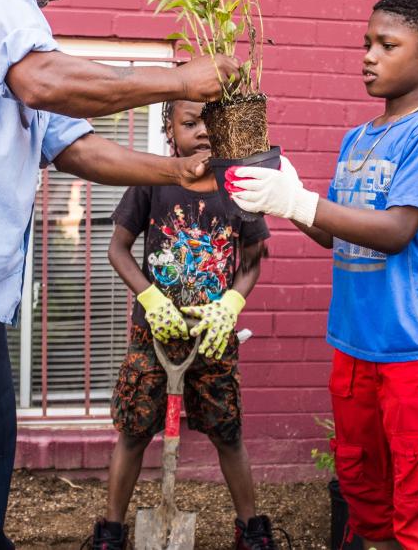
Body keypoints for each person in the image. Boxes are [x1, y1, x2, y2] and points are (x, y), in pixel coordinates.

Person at [0, 0, 240, 550]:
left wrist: (184, 173)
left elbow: (77, 147)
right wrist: (180, 80)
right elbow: (44, 81)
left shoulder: (21, 32)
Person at [228, 0, 418, 549]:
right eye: (366, 43)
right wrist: (285, 194)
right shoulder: (358, 138)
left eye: (387, 45)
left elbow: (395, 231)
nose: (368, 55)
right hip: (356, 342)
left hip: (415, 348)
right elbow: (335, 230)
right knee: (364, 490)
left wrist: (299, 202)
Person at [89, 100, 279, 550]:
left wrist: (231, 302)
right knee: (134, 431)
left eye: (210, 122)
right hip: (152, 334)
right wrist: (150, 296)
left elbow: (252, 262)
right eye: (189, 122)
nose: (201, 131)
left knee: (228, 433)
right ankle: (111, 532)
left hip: (212, 338)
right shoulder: (152, 179)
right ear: (169, 129)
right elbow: (118, 248)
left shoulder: (239, 187)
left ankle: (251, 530)